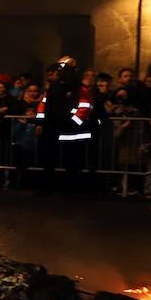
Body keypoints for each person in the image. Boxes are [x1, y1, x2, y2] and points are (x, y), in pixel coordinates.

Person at [36, 55, 92, 195]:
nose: (61, 71)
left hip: (70, 131)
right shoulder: (54, 86)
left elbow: (85, 107)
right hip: (51, 128)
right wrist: (40, 123)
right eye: (59, 68)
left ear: (73, 70)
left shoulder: (80, 88)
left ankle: (71, 189)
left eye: (65, 69)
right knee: (48, 160)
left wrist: (73, 123)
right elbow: (43, 104)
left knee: (72, 161)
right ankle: (47, 188)